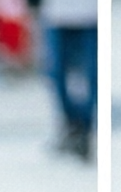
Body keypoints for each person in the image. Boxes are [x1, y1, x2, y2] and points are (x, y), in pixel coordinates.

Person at [39, 0, 95, 159]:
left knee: (92, 74)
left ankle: (86, 126)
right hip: (56, 15)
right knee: (56, 72)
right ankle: (71, 124)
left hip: (91, 14)